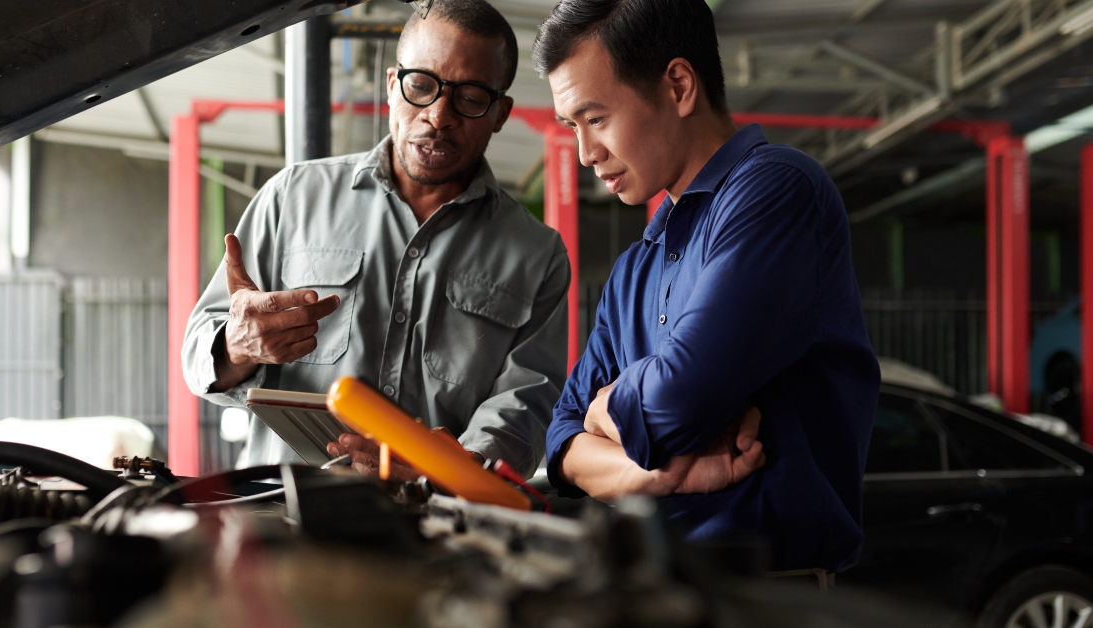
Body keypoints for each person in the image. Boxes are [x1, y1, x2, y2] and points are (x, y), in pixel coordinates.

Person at [534, 0, 880, 574]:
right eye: (572, 128)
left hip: (767, 597)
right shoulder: (633, 270)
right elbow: (562, 442)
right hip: (649, 588)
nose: (585, 154)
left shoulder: (777, 190)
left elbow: (675, 404)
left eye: (595, 119)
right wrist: (657, 473)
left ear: (678, 85)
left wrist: (605, 409)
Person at [182, 0, 568, 479]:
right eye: (421, 86)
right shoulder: (292, 198)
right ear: (392, 86)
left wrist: (451, 466)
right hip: (281, 518)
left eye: (469, 98)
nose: (438, 115)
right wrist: (236, 348)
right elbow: (199, 353)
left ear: (500, 113)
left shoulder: (537, 255)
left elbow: (526, 406)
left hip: (432, 531)